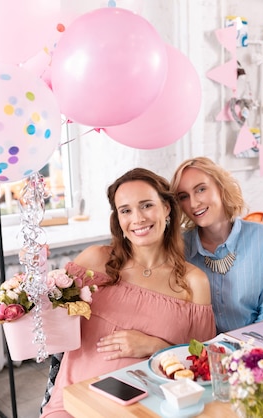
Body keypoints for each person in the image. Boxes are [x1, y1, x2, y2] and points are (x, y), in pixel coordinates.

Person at [41, 168, 216, 417]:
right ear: (118, 219)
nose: (138, 218)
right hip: (73, 406)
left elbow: (200, 364)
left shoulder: (193, 282)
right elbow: (51, 322)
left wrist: (156, 346)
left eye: (146, 205)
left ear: (166, 208)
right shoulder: (94, 261)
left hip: (151, 409)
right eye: (126, 210)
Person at [170, 157, 263, 333]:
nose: (193, 203)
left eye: (201, 189)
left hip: (255, 348)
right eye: (184, 197)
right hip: (201, 353)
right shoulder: (179, 247)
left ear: (221, 187)